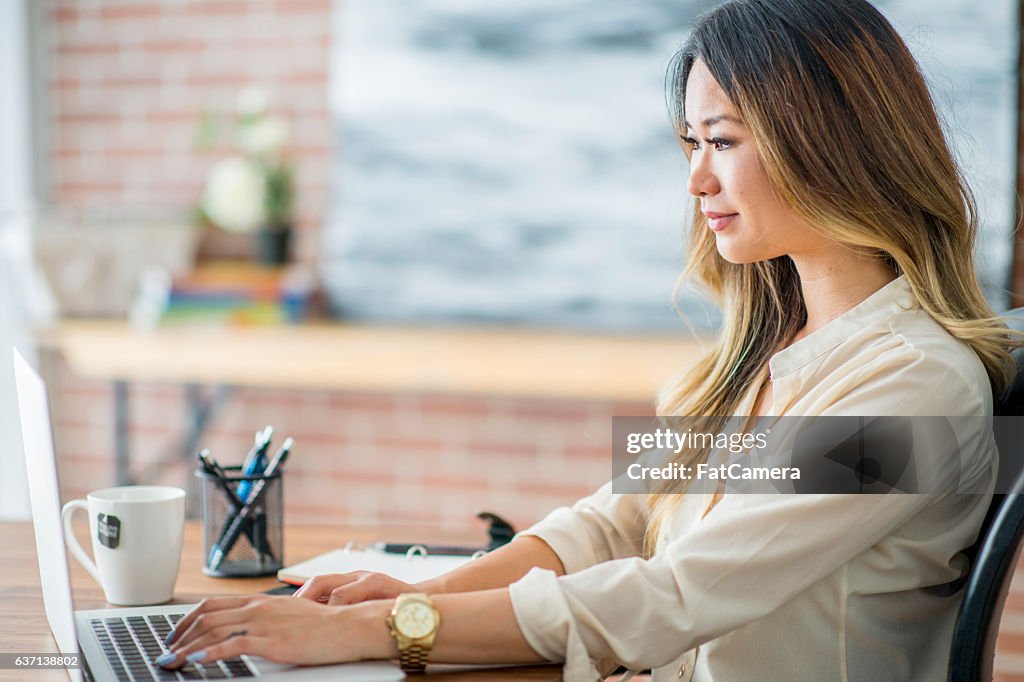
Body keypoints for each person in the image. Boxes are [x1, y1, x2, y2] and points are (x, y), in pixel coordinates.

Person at [157, 0, 1021, 679]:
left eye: (721, 141)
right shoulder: (770, 353)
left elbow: (674, 593)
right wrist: (422, 594)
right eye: (691, 142)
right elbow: (618, 522)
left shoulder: (912, 388)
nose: (696, 178)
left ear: (830, 144)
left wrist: (370, 633)